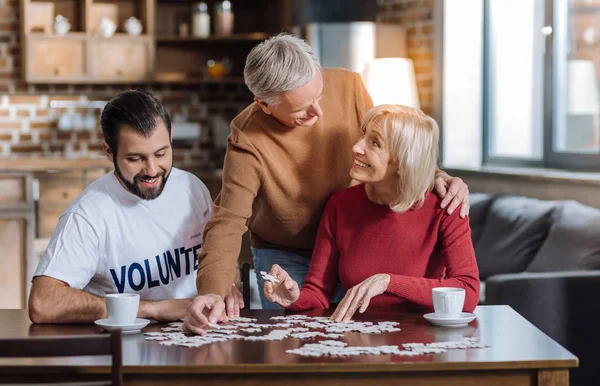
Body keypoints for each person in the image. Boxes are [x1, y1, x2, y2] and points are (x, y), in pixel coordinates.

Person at [184, 34, 470, 332]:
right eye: (301, 110)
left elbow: (393, 145)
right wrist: (214, 291)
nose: (318, 113)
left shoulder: (350, 86)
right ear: (264, 105)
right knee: (295, 345)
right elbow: (228, 221)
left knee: (350, 342)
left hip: (351, 245)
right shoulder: (246, 138)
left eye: (319, 97)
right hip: (287, 253)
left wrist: (437, 175)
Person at [29, 90, 238, 325]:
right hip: (128, 342)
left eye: (161, 153)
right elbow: (43, 302)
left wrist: (226, 285)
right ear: (109, 151)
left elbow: (220, 254)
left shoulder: (192, 188)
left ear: (171, 137)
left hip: (203, 333)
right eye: (135, 159)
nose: (151, 170)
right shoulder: (88, 214)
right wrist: (153, 309)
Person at [263, 105, 480, 320]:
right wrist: (294, 298)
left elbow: (468, 294)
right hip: (357, 341)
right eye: (364, 135)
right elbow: (318, 293)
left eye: (375, 143)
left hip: (425, 342)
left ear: (404, 162)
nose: (356, 147)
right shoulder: (341, 204)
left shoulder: (446, 206)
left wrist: (388, 282)